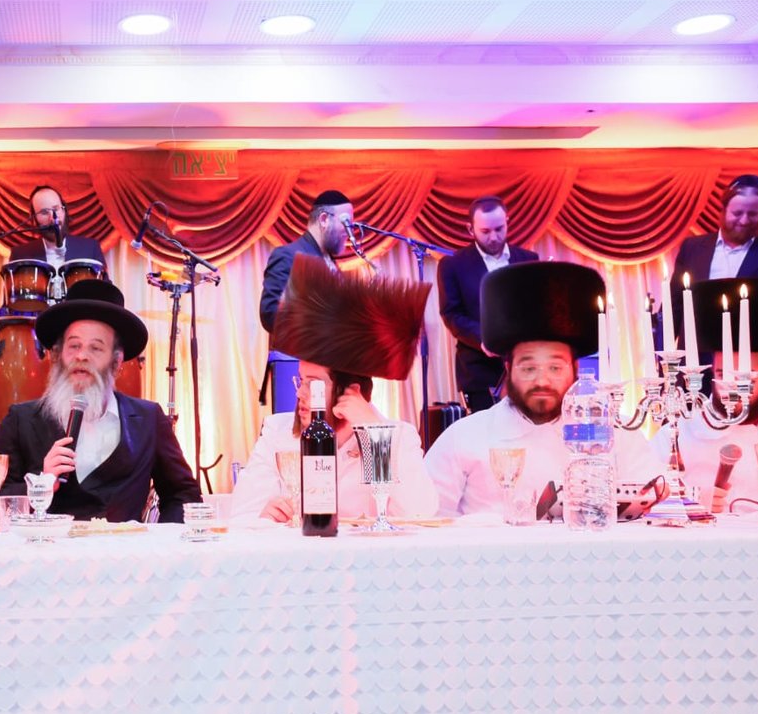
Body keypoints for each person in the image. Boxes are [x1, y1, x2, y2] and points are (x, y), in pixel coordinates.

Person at [425, 261, 662, 516]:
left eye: (555, 368)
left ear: (575, 369)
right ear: (508, 368)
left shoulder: (614, 433)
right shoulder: (464, 437)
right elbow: (427, 520)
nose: (542, 381)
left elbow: (653, 504)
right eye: (529, 368)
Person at [0, 279, 200, 522]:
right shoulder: (22, 420)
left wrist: (157, 539)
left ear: (116, 361)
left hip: (123, 547)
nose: (81, 356)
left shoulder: (148, 419)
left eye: (96, 348)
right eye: (74, 346)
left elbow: (183, 495)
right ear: (57, 355)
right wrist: (41, 483)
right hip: (47, 547)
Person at [232, 255, 438, 522]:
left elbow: (420, 514)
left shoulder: (397, 436)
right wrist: (263, 517)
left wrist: (374, 435)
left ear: (350, 392)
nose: (300, 394)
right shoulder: (277, 433)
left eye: (313, 384)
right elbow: (240, 516)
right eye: (301, 381)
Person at [654, 277, 758, 512]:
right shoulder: (681, 432)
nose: (730, 387)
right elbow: (647, 497)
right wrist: (691, 504)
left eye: (745, 377)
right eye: (722, 374)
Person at [436, 195, 539, 413]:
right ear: (470, 229)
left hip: (527, 367)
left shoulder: (529, 259)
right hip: (479, 371)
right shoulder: (452, 264)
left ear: (507, 222)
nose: (493, 237)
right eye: (485, 231)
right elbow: (451, 314)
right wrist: (484, 338)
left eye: (499, 229)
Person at [258, 189, 355, 414]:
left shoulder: (332, 264)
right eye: (346, 223)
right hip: (298, 373)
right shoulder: (288, 255)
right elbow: (270, 314)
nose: (349, 232)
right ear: (324, 219)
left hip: (333, 374)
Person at [671, 174, 758, 305]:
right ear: (723, 210)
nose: (744, 221)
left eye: (753, 214)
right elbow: (674, 302)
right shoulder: (691, 247)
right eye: (737, 213)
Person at [7, 185, 105, 270]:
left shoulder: (90, 248)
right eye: (44, 212)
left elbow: (104, 285)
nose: (53, 219)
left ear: (64, 210)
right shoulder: (19, 255)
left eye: (56, 209)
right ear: (34, 218)